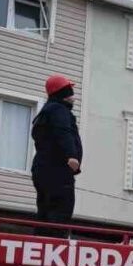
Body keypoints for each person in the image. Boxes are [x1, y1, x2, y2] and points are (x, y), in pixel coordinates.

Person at [31, 75, 82, 238]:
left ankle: (41, 244)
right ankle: (54, 247)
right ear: (64, 93)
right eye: (71, 93)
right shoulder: (59, 110)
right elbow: (63, 132)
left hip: (43, 170)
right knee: (60, 213)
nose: (74, 97)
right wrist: (71, 156)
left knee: (45, 212)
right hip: (57, 171)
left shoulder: (46, 112)